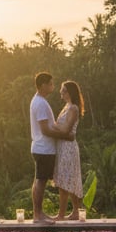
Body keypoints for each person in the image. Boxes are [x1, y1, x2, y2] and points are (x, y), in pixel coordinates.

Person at [29, 72, 73, 223]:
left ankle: (38, 213)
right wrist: (64, 135)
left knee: (39, 180)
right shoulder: (40, 103)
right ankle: (38, 215)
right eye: (50, 84)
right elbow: (45, 130)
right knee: (41, 181)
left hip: (42, 147)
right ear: (43, 85)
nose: (53, 87)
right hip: (43, 148)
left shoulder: (39, 101)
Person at [52, 80, 84, 220]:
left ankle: (62, 214)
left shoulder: (73, 108)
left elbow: (66, 130)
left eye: (63, 90)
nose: (61, 92)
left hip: (68, 148)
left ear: (70, 92)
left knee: (66, 180)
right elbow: (64, 130)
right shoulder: (67, 107)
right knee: (66, 179)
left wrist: (51, 125)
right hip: (62, 146)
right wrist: (54, 127)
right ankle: (75, 212)